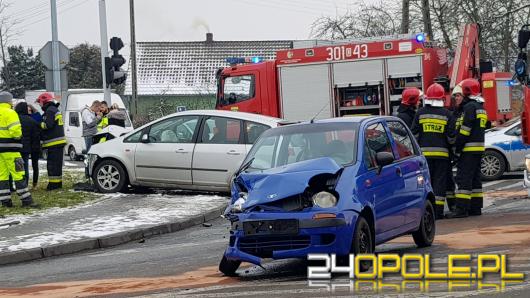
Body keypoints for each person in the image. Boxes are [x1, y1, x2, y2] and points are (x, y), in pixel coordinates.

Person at [411, 83, 456, 219]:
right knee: (439, 183)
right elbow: (451, 138)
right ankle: (438, 212)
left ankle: (428, 212)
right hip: (442, 156)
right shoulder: (447, 114)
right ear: (442, 98)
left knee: (426, 183)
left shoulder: (420, 113)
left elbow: (414, 134)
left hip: (424, 156)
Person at [450, 78, 487, 218]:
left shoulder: (469, 107)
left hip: (468, 149)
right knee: (475, 179)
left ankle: (461, 210)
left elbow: (465, 130)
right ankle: (476, 208)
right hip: (478, 149)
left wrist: (457, 148)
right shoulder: (480, 107)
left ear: (466, 91)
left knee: (463, 178)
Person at [0, 91, 35, 207]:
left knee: (2, 175)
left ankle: (5, 201)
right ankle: (26, 200)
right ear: (8, 101)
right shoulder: (10, 113)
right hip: (11, 149)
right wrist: (18, 136)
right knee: (19, 173)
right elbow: (15, 131)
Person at [37, 92, 66, 190]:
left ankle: (53, 186)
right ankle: (57, 184)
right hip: (57, 142)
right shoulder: (53, 109)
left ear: (44, 101)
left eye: (40, 102)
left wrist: (39, 124)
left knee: (52, 165)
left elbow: (48, 125)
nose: (39, 104)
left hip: (54, 143)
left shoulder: (49, 111)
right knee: (56, 165)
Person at [445, 84, 465, 212]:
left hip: (464, 150)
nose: (456, 98)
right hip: (458, 151)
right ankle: (455, 206)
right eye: (455, 96)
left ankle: (462, 208)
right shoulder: (455, 113)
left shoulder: (465, 111)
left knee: (463, 179)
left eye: (458, 96)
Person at [14, 102, 41, 188]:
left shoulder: (14, 119)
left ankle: (16, 184)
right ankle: (24, 185)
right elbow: (35, 136)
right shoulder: (31, 121)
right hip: (26, 148)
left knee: (16, 167)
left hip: (15, 147)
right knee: (25, 166)